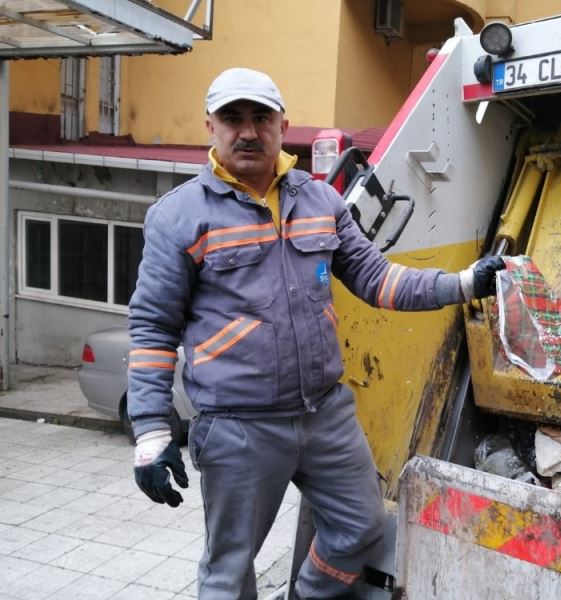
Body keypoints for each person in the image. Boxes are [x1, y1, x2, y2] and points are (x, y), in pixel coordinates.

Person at [127, 67, 505, 600]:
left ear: (283, 125)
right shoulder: (179, 217)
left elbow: (378, 280)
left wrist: (465, 282)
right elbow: (152, 326)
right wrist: (151, 432)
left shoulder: (321, 201)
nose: (248, 131)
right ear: (210, 125)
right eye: (233, 119)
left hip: (325, 413)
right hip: (240, 426)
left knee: (360, 526)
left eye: (261, 118)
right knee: (229, 570)